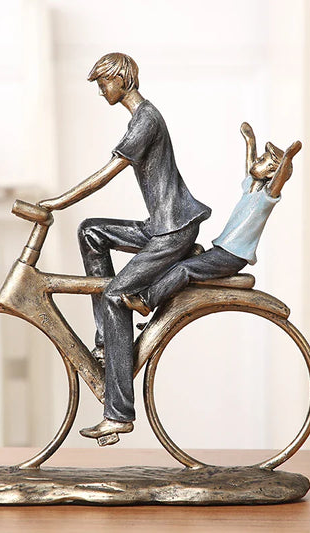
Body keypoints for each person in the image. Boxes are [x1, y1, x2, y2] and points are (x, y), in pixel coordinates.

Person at [38, 53, 210, 442]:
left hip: (172, 231)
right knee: (91, 233)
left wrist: (57, 203)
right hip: (159, 226)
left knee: (116, 296)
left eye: (104, 84)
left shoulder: (146, 120)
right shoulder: (139, 118)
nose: (102, 92)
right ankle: (106, 343)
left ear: (121, 78)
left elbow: (106, 175)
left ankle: (118, 414)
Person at [123, 122, 302, 317]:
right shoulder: (250, 189)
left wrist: (288, 158)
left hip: (233, 257)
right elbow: (250, 166)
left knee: (184, 269)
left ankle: (146, 302)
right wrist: (250, 141)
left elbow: (278, 181)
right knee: (189, 254)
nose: (256, 161)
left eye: (262, 161)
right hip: (221, 250)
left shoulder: (265, 198)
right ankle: (159, 310)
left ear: (271, 173)